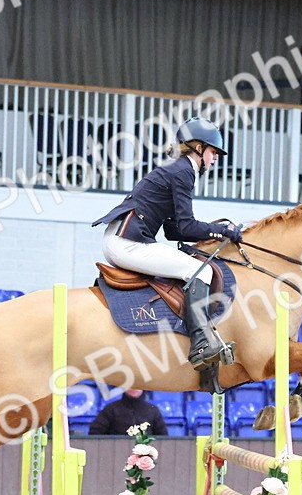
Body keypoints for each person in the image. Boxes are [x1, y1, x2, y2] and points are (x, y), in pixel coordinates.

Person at [92, 117, 243, 371]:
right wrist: (222, 230)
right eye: (213, 152)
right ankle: (201, 345)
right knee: (201, 271)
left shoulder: (176, 168)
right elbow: (186, 227)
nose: (215, 158)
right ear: (198, 148)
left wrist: (213, 233)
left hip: (121, 239)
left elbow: (173, 230)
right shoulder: (184, 171)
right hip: (126, 243)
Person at [88, 389, 168, 436]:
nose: (134, 388)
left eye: (138, 385)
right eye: (131, 385)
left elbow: (163, 438)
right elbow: (95, 434)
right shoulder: (111, 409)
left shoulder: (153, 410)